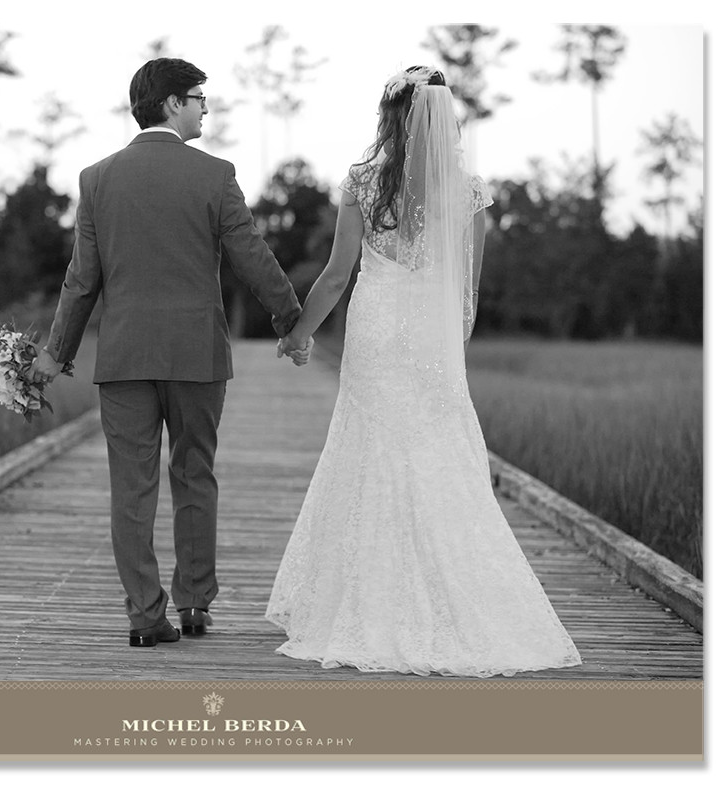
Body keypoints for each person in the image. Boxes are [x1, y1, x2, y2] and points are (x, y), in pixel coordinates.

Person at [264, 66, 582, 677]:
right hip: (431, 342)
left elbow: (337, 275)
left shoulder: (362, 181)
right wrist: (445, 347)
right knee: (437, 454)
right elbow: (468, 292)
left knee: (371, 453)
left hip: (377, 333)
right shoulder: (469, 191)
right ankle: (459, 604)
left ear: (393, 116)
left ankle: (369, 601)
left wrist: (299, 334)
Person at [32, 58, 310, 648]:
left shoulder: (98, 178)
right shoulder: (214, 176)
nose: (206, 107)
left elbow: (82, 281)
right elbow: (252, 256)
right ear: (171, 104)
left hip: (126, 358)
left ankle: (144, 615)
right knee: (194, 474)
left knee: (130, 488)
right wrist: (291, 322)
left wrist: (56, 354)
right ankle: (194, 605)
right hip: (196, 357)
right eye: (199, 97)